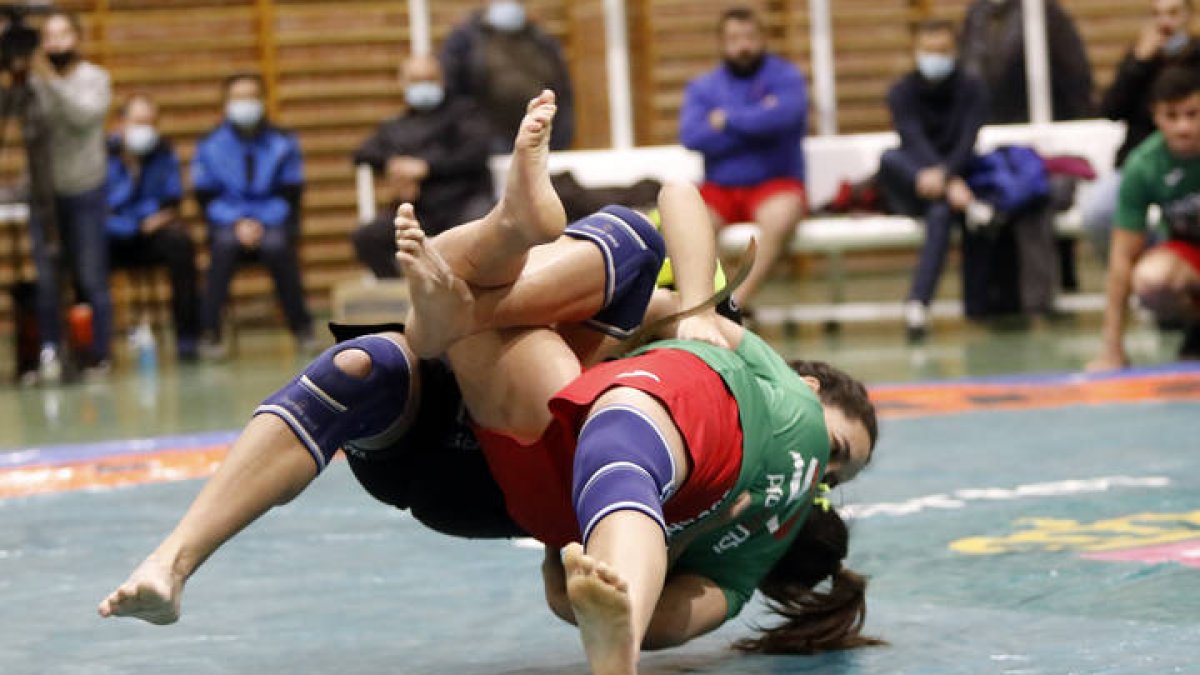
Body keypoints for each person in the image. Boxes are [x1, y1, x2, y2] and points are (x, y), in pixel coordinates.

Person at [98, 93, 882, 666]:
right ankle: (170, 562)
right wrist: (703, 306)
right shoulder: (742, 370)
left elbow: (571, 575)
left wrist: (612, 584)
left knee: (597, 307)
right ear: (807, 389)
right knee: (362, 368)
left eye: (832, 473)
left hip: (499, 478)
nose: (821, 476)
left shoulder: (741, 502)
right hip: (492, 403)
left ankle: (484, 264)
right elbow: (681, 195)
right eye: (837, 453)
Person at [679, 6, 809, 310]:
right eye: (735, 38)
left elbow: (785, 119)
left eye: (750, 37)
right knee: (692, 221)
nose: (743, 45)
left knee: (781, 216)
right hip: (720, 188)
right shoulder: (703, 87)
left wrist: (726, 121)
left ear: (763, 38)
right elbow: (693, 136)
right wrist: (759, 121)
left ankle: (735, 305)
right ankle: (714, 299)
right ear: (722, 42)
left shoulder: (786, 77)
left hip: (775, 184)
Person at [878, 19, 989, 341]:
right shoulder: (901, 92)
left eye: (942, 51)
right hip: (914, 185)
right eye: (928, 51)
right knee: (890, 158)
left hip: (952, 186)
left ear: (954, 51)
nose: (935, 57)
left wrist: (946, 175)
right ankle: (969, 207)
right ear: (916, 52)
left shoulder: (973, 89)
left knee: (939, 213)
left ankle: (918, 305)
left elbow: (967, 142)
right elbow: (911, 140)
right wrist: (945, 180)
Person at [191, 72, 314, 358]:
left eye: (251, 97)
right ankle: (209, 332)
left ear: (261, 101)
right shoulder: (210, 144)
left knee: (277, 247)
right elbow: (205, 196)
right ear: (225, 104)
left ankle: (302, 327)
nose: (245, 104)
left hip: (271, 220)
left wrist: (259, 222)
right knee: (222, 248)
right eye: (238, 98)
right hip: (228, 222)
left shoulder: (283, 142)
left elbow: (289, 193)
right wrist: (238, 222)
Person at [1087, 66, 1200, 373]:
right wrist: (1112, 347)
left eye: (1193, 114)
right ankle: (1196, 330)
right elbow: (1122, 256)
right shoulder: (1144, 164)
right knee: (1151, 280)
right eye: (1172, 116)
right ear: (1155, 116)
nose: (1183, 127)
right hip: (1189, 253)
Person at [27, 10, 114, 380]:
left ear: (77, 38)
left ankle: (99, 353)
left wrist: (48, 83)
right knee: (46, 278)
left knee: (91, 276)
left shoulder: (95, 78)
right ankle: (49, 350)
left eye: (63, 34)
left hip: (86, 189)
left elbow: (82, 118)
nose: (56, 43)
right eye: (48, 36)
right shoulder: (31, 83)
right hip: (44, 194)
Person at [352, 55, 494, 278]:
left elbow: (475, 153)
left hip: (464, 204)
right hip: (421, 210)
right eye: (416, 80)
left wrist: (426, 167)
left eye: (430, 79)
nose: (424, 85)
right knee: (368, 237)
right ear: (404, 84)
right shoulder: (395, 127)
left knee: (480, 230)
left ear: (441, 80)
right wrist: (396, 167)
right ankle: (407, 297)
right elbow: (363, 154)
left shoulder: (465, 114)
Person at [1086, 0, 1200, 260]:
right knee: (1098, 210)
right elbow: (1110, 110)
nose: (1165, 22)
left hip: (1193, 161)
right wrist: (1138, 64)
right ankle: (1144, 269)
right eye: (1157, 15)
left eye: (1173, 13)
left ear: (1189, 17)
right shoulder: (1139, 59)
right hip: (1140, 165)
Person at [106, 93, 200, 361]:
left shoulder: (163, 152)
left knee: (181, 244)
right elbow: (98, 207)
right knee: (84, 253)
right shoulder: (101, 155)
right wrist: (133, 223)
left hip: (152, 235)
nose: (144, 130)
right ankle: (95, 347)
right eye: (138, 122)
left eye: (150, 123)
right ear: (120, 123)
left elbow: (171, 199)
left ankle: (187, 337)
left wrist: (151, 220)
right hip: (113, 236)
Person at [440, 0, 575, 152]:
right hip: (489, 139)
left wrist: (562, 135)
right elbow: (453, 92)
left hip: (541, 133)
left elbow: (563, 90)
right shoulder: (464, 40)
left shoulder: (541, 39)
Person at [959, 0, 1094, 124]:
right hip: (989, 118)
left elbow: (1075, 72)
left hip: (1036, 117)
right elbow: (970, 65)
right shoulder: (977, 14)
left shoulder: (1042, 11)